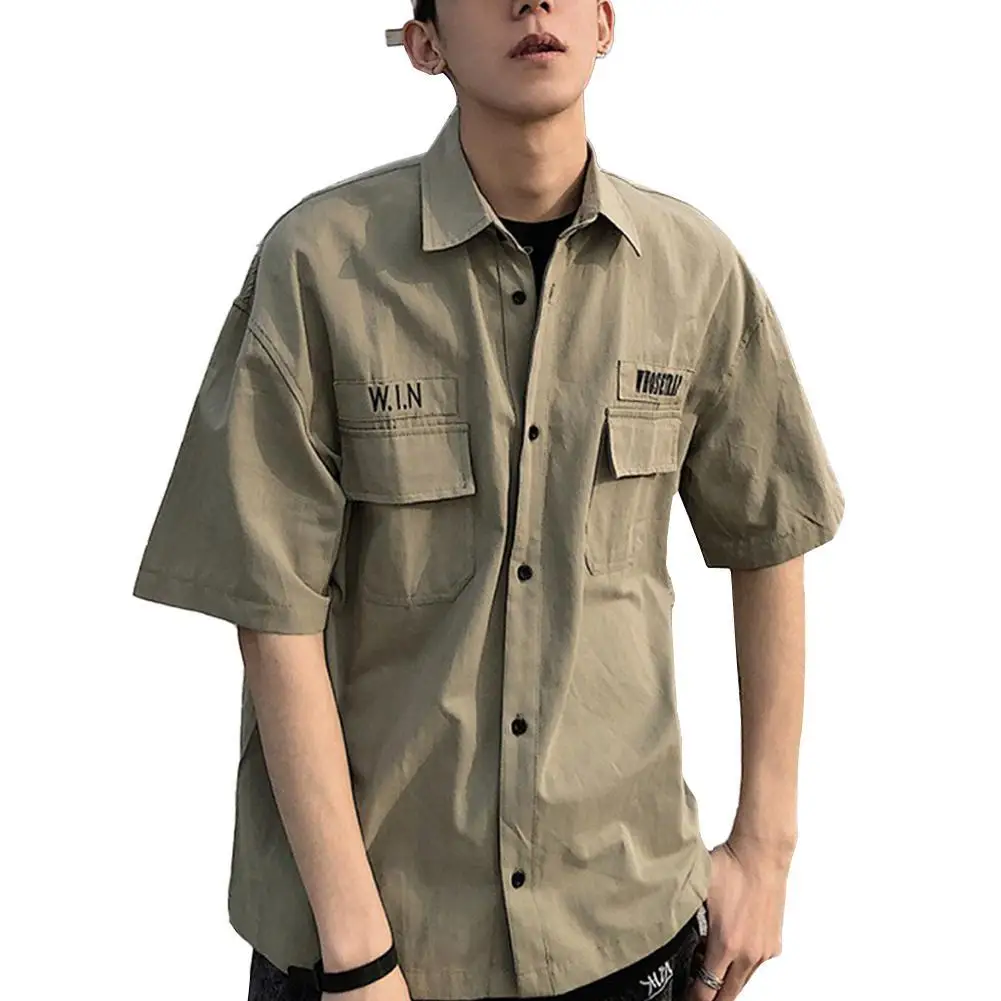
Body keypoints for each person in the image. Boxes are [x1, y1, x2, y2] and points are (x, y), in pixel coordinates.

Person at [131, 2, 845, 1000]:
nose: (530, 3)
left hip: (621, 924)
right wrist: (358, 951)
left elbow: (769, 532)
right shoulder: (320, 266)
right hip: (373, 943)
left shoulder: (692, 273)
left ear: (605, 23)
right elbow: (272, 614)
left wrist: (764, 847)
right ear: (424, 44)